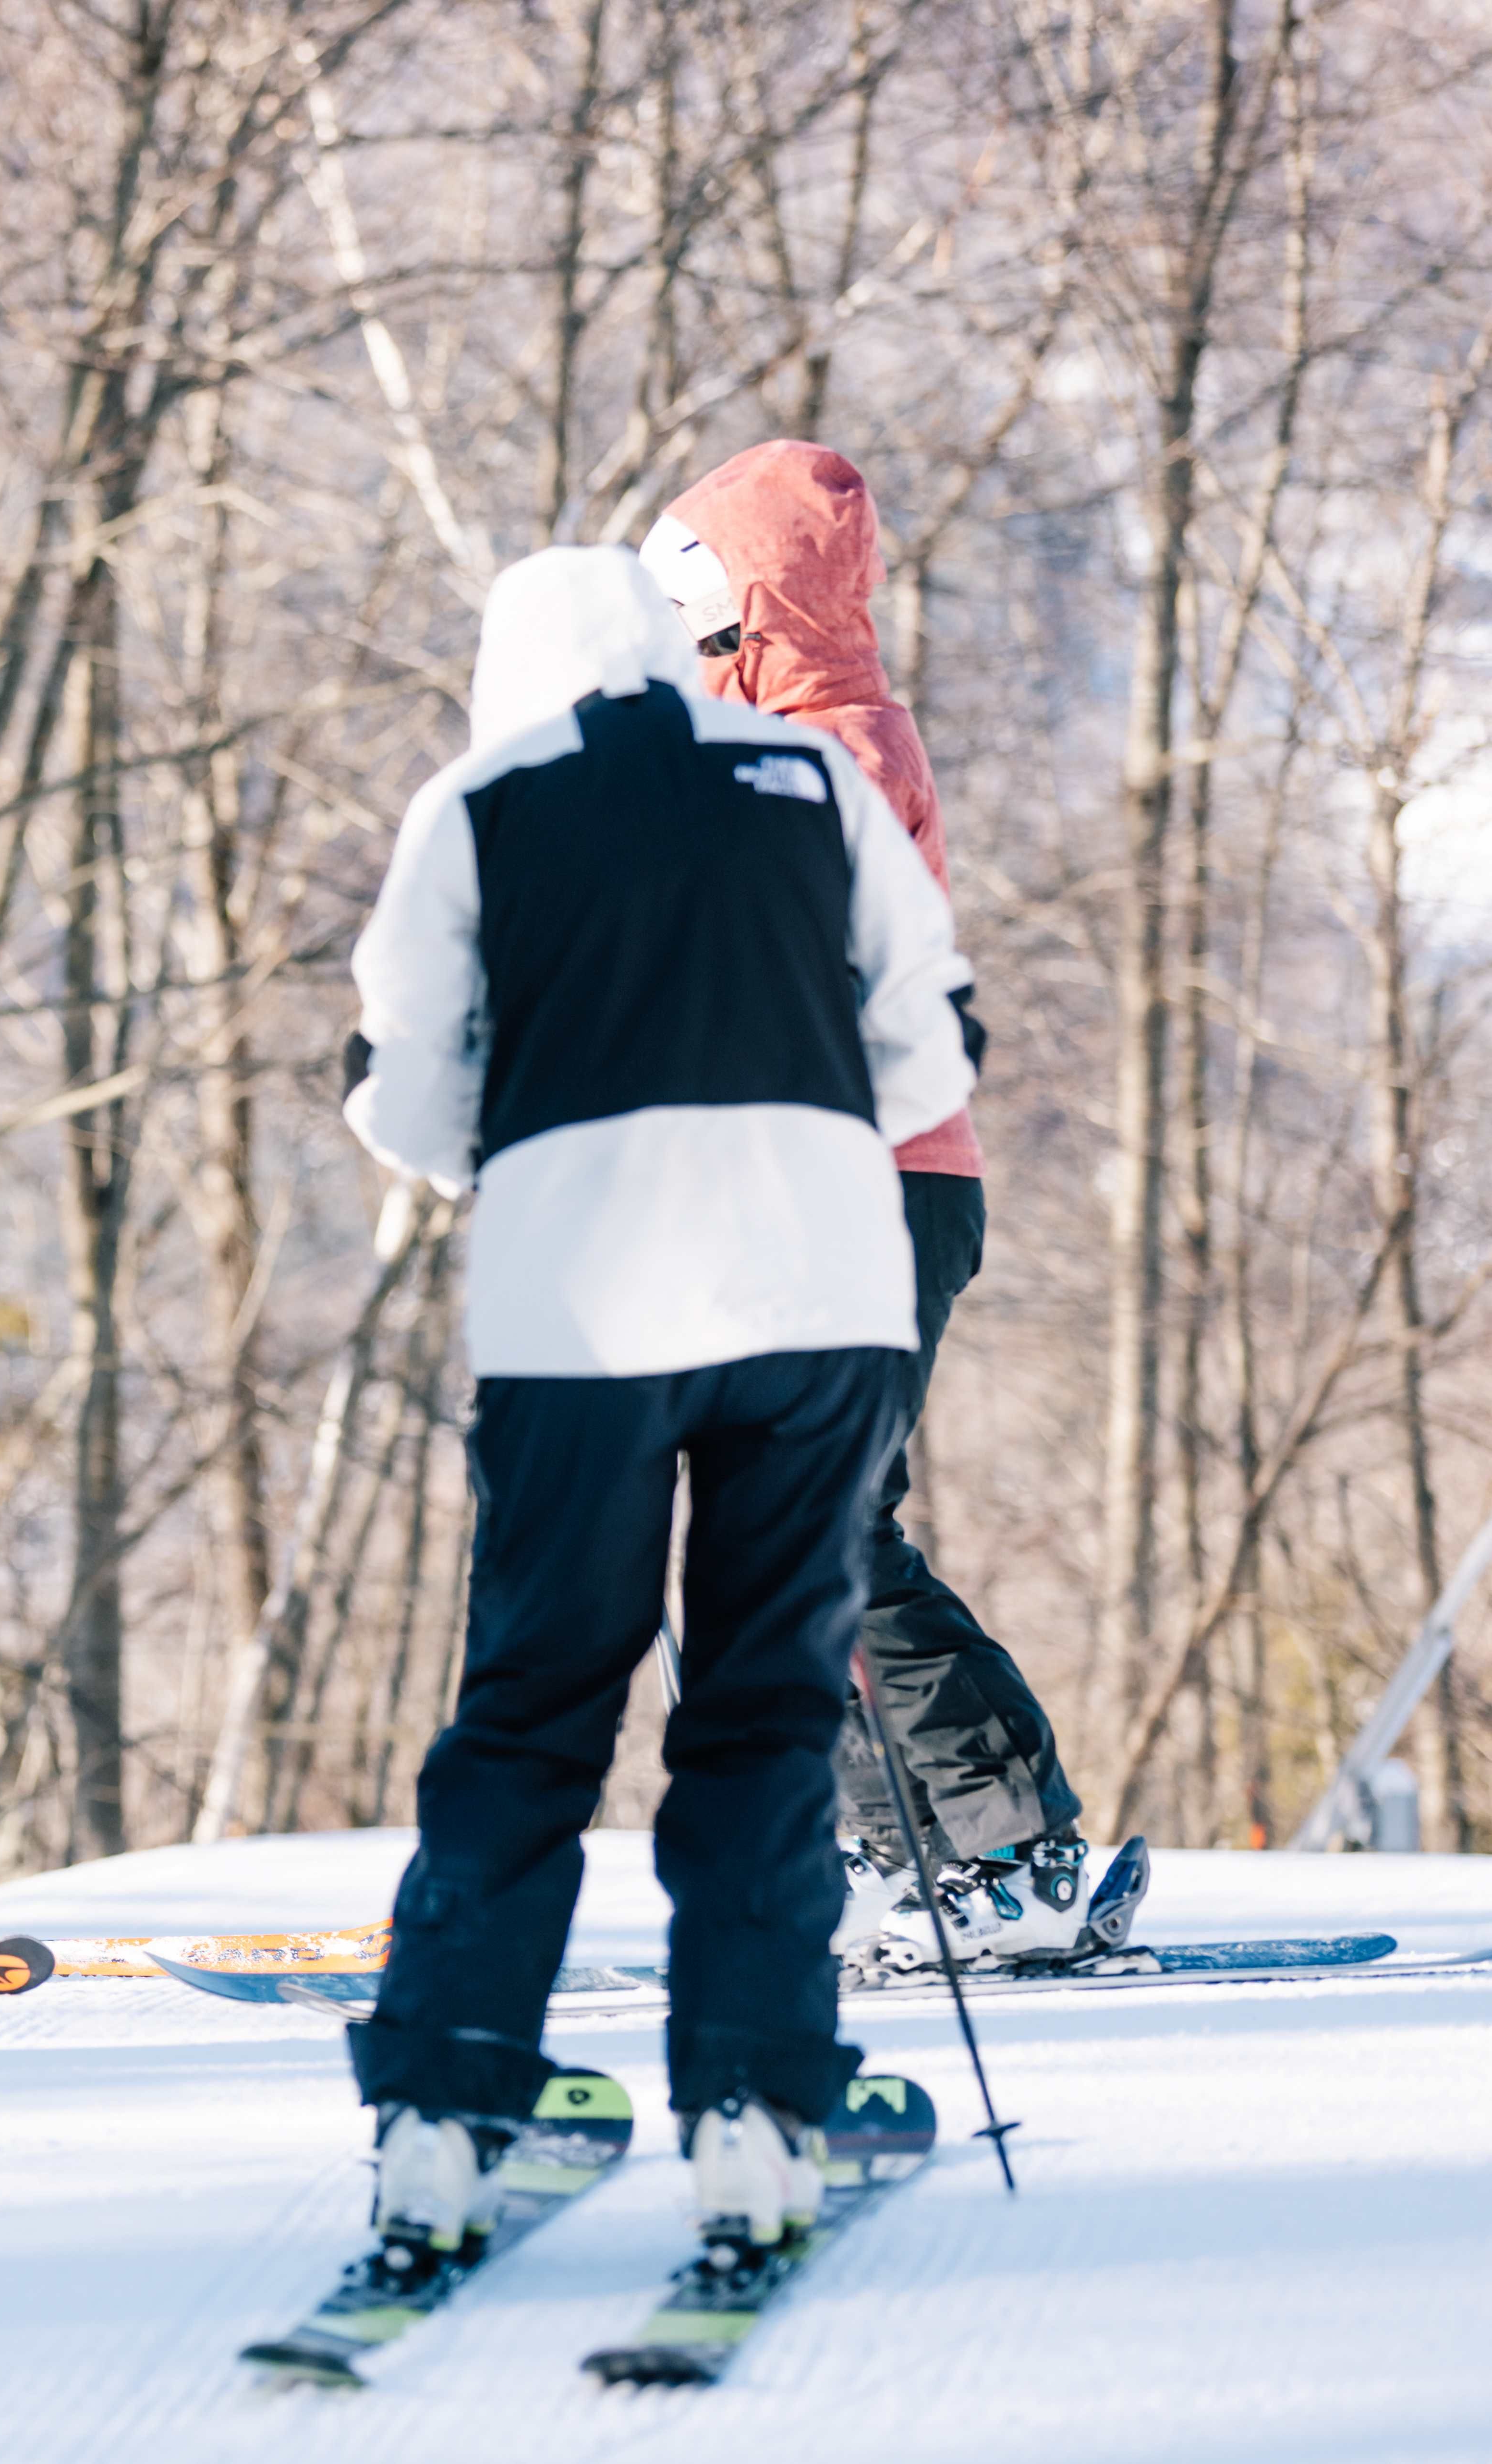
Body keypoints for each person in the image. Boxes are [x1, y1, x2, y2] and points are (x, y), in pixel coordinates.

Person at [339, 546, 975, 2268]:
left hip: (582, 1304)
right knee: (767, 1711)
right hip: (818, 1292)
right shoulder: (816, 785)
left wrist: (536, 1135)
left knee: (533, 1709)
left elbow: (409, 1100)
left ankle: (440, 2125)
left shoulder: (475, 805)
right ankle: (763, 2116)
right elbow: (930, 1056)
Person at [643, 442, 1106, 1965]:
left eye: (705, 628)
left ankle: (1002, 1848)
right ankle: (897, 1859)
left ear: (758, 619)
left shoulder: (827, 755)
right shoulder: (770, 748)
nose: (687, 658)